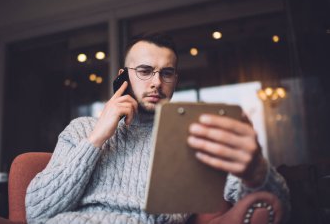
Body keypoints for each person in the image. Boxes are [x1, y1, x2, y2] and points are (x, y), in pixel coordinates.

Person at [25, 32, 290, 224]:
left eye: (166, 73)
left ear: (175, 81)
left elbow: (275, 205)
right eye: (144, 70)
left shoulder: (193, 137)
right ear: (123, 76)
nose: (156, 82)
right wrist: (97, 138)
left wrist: (257, 171)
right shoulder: (82, 129)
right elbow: (37, 211)